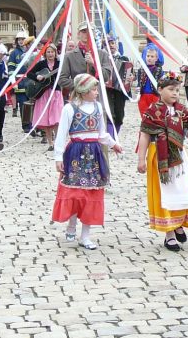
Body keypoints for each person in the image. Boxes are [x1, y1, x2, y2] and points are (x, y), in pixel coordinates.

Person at [52, 74, 123, 250]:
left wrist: (113, 144)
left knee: (91, 194)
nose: (96, 92)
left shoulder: (98, 107)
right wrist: (58, 157)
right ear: (83, 91)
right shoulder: (70, 109)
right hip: (76, 153)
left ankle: (85, 235)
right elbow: (61, 134)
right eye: (92, 89)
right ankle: (71, 223)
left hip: (94, 155)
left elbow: (101, 133)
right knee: (76, 192)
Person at [137, 72, 188, 252]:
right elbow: (145, 134)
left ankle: (179, 223)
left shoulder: (182, 110)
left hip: (179, 156)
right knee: (164, 192)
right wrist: (141, 158)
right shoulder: (152, 111)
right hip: (159, 155)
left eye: (177, 90)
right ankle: (169, 233)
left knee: (183, 189)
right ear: (160, 90)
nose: (175, 93)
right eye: (171, 89)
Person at [58, 22, 112, 99]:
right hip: (77, 98)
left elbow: (106, 77)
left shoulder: (102, 54)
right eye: (84, 31)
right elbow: (62, 79)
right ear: (78, 34)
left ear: (94, 34)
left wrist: (94, 64)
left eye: (89, 31)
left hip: (97, 98)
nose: (87, 34)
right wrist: (81, 85)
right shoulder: (69, 56)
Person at [26, 43, 63, 151]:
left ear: (55, 53)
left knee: (57, 118)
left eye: (52, 52)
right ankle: (50, 143)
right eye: (48, 52)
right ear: (45, 53)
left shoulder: (59, 64)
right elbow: (29, 73)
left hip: (56, 92)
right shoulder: (41, 64)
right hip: (44, 93)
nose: (50, 54)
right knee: (46, 118)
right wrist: (37, 77)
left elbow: (65, 74)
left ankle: (57, 142)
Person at [105, 36, 133, 136]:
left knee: (119, 114)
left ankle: (115, 135)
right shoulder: (104, 58)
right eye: (108, 43)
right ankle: (112, 139)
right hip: (106, 89)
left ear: (116, 45)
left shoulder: (124, 59)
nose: (111, 45)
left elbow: (130, 74)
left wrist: (131, 78)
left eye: (112, 43)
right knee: (109, 113)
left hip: (120, 90)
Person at [137, 45, 164, 117]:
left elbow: (162, 82)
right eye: (148, 56)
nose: (149, 58)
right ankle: (144, 128)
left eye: (152, 56)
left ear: (156, 58)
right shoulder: (141, 69)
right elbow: (138, 82)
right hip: (143, 96)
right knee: (144, 116)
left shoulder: (159, 70)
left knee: (155, 116)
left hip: (154, 95)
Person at [8, 31, 29, 121]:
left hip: (30, 82)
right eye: (19, 39)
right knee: (23, 105)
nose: (21, 41)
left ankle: (33, 125)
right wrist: (13, 82)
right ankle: (26, 126)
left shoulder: (31, 51)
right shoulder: (14, 53)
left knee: (33, 105)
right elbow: (11, 69)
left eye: (23, 39)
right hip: (19, 83)